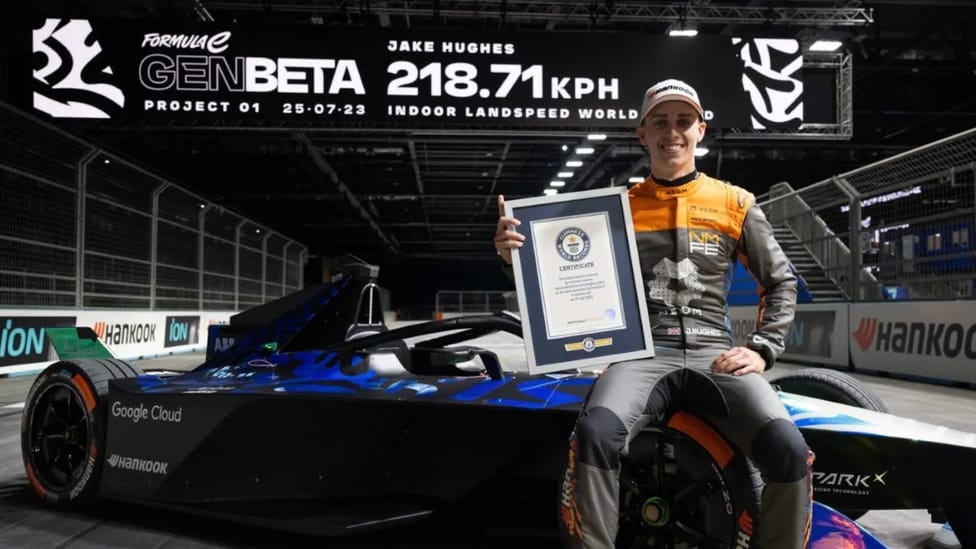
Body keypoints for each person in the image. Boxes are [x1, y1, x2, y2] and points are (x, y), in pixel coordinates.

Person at [494, 78, 813, 549]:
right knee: (596, 433)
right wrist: (514, 256)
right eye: (660, 122)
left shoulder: (735, 202)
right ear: (642, 134)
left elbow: (782, 281)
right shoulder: (614, 206)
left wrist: (762, 349)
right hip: (642, 353)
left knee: (789, 450)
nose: (673, 132)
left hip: (715, 355)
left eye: (684, 121)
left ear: (701, 130)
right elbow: (559, 281)